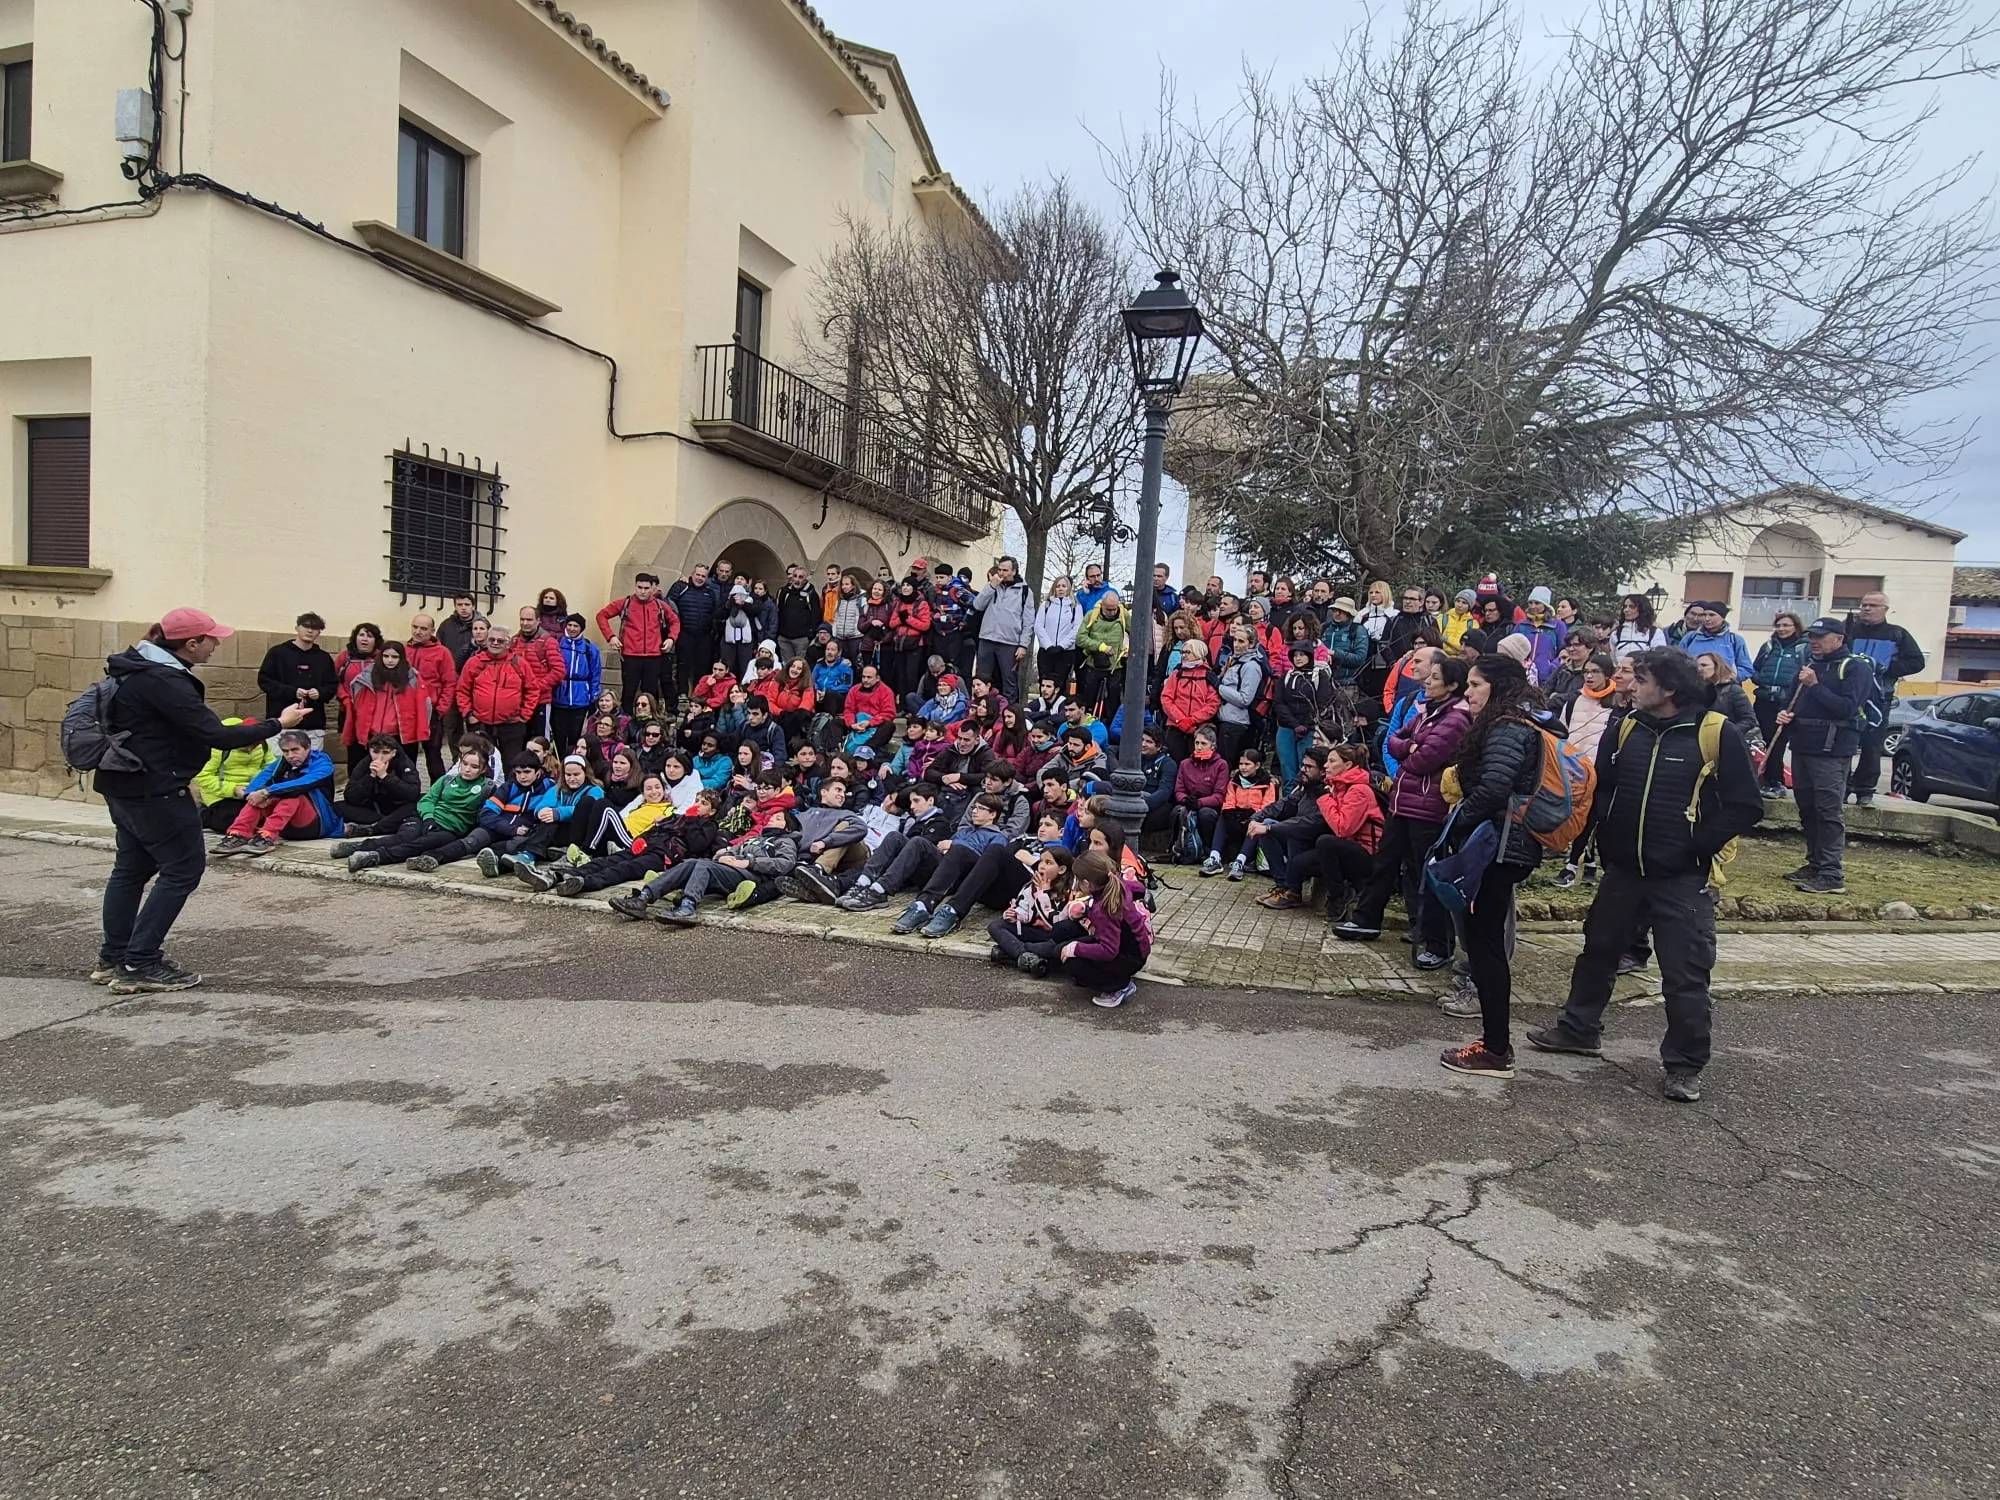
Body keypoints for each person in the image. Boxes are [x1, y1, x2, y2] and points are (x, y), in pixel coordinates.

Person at [1527, 647, 1764, 1103]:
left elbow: (1746, 806)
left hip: (1683, 877)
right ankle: (1578, 1029)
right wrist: (1594, 842)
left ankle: (1684, 1065)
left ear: (1669, 688)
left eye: (1639, 679)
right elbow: (1604, 790)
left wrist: (1694, 847)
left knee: (1685, 973)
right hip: (1624, 870)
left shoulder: (1716, 734)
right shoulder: (1627, 727)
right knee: (1598, 950)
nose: (1629, 686)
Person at [91, 609, 310, 993]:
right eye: (211, 639)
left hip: (122, 783)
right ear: (190, 644)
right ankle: (139, 962)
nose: (217, 644)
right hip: (156, 789)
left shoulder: (132, 669)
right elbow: (217, 735)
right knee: (183, 869)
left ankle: (114, 958)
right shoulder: (165, 681)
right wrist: (280, 723)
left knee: (130, 868)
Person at [1436, 653, 1547, 1081]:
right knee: (1484, 944)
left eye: (1476, 684)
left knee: (1486, 946)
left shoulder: (1508, 728)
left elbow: (1496, 787)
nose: (1468, 691)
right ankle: (1494, 1043)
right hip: (1501, 846)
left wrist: (1455, 826)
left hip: (1498, 849)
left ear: (1498, 687)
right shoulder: (1518, 722)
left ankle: (1496, 1049)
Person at [1335, 655, 1472, 957]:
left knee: (1423, 872)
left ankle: (1437, 941)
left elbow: (1424, 760)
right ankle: (1366, 919)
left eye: (1435, 677)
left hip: (1429, 807)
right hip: (1402, 802)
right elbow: (1394, 739)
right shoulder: (1425, 710)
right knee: (1384, 863)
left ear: (1452, 685)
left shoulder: (1457, 719)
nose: (1427, 681)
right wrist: (1409, 748)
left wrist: (1410, 750)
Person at [1779, 618, 1874, 894]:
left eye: (1821, 637)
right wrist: (1786, 714)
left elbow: (1846, 707)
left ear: (1839, 639)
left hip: (1832, 750)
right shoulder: (1810, 667)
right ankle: (1815, 863)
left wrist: (1815, 686)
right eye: (1812, 637)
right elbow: (1794, 702)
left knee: (1828, 811)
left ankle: (1832, 873)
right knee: (1807, 809)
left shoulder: (1855, 667)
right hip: (1803, 746)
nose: (1814, 642)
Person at [334, 737, 493, 873]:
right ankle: (358, 847)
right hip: (426, 818)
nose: (467, 769)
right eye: (464, 764)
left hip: (450, 829)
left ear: (483, 769)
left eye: (474, 767)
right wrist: (429, 818)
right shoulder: (447, 780)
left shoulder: (488, 787)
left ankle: (376, 857)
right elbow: (427, 800)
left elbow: (485, 815)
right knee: (404, 836)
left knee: (418, 844)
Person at [1842, 591, 1926, 804]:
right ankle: (1841, 786)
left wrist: (1887, 668)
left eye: (1872, 605)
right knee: (1843, 743)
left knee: (1871, 745)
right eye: (1864, 604)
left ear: (1885, 610)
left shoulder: (1897, 634)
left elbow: (1917, 662)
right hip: (1849, 696)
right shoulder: (1848, 630)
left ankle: (1865, 789)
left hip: (1880, 697)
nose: (1867, 609)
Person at [210, 730, 344, 856]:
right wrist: (250, 794)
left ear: (308, 748)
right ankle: (237, 835)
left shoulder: (323, 763)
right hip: (286, 828)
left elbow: (303, 783)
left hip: (316, 824)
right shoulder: (282, 762)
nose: (290, 756)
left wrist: (268, 792)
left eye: (295, 750)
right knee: (258, 799)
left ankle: (266, 837)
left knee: (292, 795)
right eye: (286, 752)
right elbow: (263, 777)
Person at [1052, 851, 1154, 1009]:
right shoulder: (1117, 884)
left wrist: (1076, 949)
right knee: (1062, 949)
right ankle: (1104, 978)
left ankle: (1118, 986)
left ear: (1086, 884)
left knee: (1072, 961)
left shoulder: (1103, 909)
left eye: (1077, 881)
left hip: (1128, 956)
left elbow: (1109, 950)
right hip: (1135, 948)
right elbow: (1139, 888)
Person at [1309, 743, 1385, 922]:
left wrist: (1324, 798)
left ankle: (1338, 897)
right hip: (1352, 846)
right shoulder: (1338, 785)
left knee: (1326, 842)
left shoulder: (1359, 790)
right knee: (1300, 863)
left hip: (1369, 853)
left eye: (1331, 761)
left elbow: (1343, 828)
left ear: (1348, 765)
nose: (1326, 766)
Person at [597, 573, 681, 716]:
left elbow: (675, 621)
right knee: (629, 691)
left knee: (651, 692)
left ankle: (650, 720)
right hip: (630, 655)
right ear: (635, 586)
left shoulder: (660, 605)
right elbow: (601, 615)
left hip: (654, 656)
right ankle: (626, 720)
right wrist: (610, 637)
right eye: (639, 587)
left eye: (646, 588)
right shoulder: (625, 603)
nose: (642, 591)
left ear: (652, 588)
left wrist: (671, 638)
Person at [255, 612, 341, 751]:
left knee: (311, 766)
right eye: (306, 626)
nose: (310, 630)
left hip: (313, 725)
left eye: (315, 628)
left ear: (319, 632)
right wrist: (292, 692)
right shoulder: (277, 653)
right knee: (278, 765)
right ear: (297, 627)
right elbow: (264, 680)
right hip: (281, 723)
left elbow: (332, 685)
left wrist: (320, 693)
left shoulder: (324, 658)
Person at [456, 625, 540, 760]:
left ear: (508, 644)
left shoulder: (519, 664)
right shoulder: (474, 663)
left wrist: (524, 715)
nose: (495, 643)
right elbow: (462, 690)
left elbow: (532, 690)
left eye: (500, 641)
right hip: (481, 724)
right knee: (483, 763)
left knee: (511, 764)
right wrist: (469, 714)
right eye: (492, 640)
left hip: (512, 724)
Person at [346, 640, 432, 765]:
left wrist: (421, 733)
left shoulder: (412, 679)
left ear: (401, 658)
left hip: (401, 736)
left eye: (394, 657)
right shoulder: (366, 678)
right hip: (371, 735)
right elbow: (355, 706)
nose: (390, 660)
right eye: (386, 656)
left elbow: (424, 707)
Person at [1751, 612, 1810, 787]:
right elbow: (1755, 668)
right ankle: (1767, 779)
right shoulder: (1769, 647)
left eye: (1786, 625)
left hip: (1788, 702)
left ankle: (1776, 780)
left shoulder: (1802, 648)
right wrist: (1760, 679)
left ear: (1796, 627)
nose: (1782, 629)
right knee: (1767, 741)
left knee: (1779, 742)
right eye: (1779, 625)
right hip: (1764, 699)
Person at [1272, 641, 1338, 789]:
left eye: (1302, 655)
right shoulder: (1286, 677)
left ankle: (1304, 803)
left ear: (1309, 656)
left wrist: (1308, 724)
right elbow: (1279, 703)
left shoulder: (1319, 676)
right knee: (1287, 770)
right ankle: (1288, 804)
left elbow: (1323, 703)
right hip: (1287, 727)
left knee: (1307, 770)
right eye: (1295, 655)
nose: (1298, 658)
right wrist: (1295, 725)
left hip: (1310, 729)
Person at [192, 721, 275, 834]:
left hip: (252, 791)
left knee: (264, 812)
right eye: (247, 745)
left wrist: (260, 787)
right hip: (221, 794)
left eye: (255, 745)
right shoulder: (218, 747)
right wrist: (233, 789)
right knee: (230, 821)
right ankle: (204, 815)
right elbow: (203, 776)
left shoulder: (264, 745)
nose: (250, 749)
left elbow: (271, 769)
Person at [973, 556, 1036, 701]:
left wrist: (1023, 645)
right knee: (982, 679)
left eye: (1005, 570)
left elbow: (1028, 621)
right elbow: (977, 605)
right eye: (1000, 569)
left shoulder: (1025, 591)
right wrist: (990, 587)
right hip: (987, 639)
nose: (1001, 573)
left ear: (1014, 571)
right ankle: (981, 709)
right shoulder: (992, 586)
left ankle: (1009, 714)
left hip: (1009, 642)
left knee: (1009, 680)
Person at [333, 734, 422, 835]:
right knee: (337, 807)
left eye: (385, 753)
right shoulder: (364, 764)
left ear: (393, 753)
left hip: (398, 808)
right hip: (374, 811)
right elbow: (351, 796)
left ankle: (376, 828)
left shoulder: (404, 763)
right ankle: (387, 824)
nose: (380, 757)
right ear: (370, 751)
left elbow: (412, 793)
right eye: (375, 752)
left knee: (419, 803)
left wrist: (385, 777)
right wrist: (371, 777)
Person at [405, 613, 458, 782]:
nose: (418, 632)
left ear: (432, 631)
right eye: (415, 627)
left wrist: (441, 709)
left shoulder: (442, 653)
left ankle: (438, 792)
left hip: (432, 711)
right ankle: (408, 792)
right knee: (407, 755)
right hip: (407, 712)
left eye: (423, 628)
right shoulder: (403, 650)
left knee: (433, 754)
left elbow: (449, 683)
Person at [666, 565, 721, 705]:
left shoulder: (710, 592)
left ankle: (698, 693)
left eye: (703, 576)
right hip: (685, 633)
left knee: (702, 666)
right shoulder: (680, 587)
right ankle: (682, 693)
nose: (700, 578)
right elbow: (668, 605)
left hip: (704, 634)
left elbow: (715, 611)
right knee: (683, 664)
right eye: (698, 574)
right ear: (692, 574)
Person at [549, 614, 603, 753]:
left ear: (581, 628)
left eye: (576, 626)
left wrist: (593, 695)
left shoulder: (590, 648)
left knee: (576, 734)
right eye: (570, 625)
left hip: (581, 698)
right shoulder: (557, 645)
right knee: (558, 735)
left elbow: (595, 673)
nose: (572, 629)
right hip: (559, 696)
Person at [1214, 624, 1267, 763]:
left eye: (1241, 641)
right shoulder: (1235, 660)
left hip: (1236, 723)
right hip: (1225, 719)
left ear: (1251, 643)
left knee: (1228, 764)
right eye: (1235, 640)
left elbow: (1245, 699)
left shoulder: (1251, 666)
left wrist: (1219, 687)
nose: (1236, 644)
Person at [1075, 592, 1129, 722]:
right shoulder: (1091, 615)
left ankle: (1111, 728)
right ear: (1102, 606)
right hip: (1093, 663)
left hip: (1115, 666)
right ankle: (1088, 725)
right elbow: (1080, 638)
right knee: (1089, 699)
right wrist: (1100, 647)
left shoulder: (1123, 615)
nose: (1111, 612)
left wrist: (1128, 649)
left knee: (1113, 702)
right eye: (1108, 609)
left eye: (1114, 609)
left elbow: (1136, 633)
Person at [1694, 653, 1761, 748]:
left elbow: (1749, 720)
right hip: (1701, 742)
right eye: (1697, 665)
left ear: (1717, 667)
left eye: (1704, 665)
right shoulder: (1696, 690)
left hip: (1727, 743)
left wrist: (1728, 733)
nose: (1699, 669)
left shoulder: (1733, 690)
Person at [1034, 575, 1083, 695]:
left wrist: (1062, 645)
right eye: (1058, 586)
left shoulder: (1075, 607)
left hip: (1065, 652)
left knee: (1061, 684)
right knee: (1045, 682)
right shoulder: (1046, 605)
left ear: (1068, 588)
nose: (1061, 589)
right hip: (1046, 651)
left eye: (1064, 586)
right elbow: (1039, 626)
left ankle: (1058, 710)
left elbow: (1076, 629)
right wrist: (1048, 645)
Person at [1679, 602, 1754, 679]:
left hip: (1723, 688)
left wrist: (1728, 677)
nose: (1707, 619)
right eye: (1704, 615)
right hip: (1694, 686)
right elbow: (1678, 662)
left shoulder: (1734, 640)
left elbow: (1747, 669)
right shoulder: (1691, 638)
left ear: (1722, 617)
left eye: (1712, 615)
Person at [775, 563, 821, 665]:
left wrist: (810, 635)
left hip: (801, 638)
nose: (797, 580)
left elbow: (815, 616)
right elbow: (780, 611)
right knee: (787, 666)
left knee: (800, 666)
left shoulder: (812, 594)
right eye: (795, 576)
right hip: (784, 637)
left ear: (806, 579)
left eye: (800, 577)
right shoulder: (784, 592)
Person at [1610, 593, 1670, 658]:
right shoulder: (1616, 634)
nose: (1626, 610)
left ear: (1641, 609)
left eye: (1631, 607)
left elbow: (1659, 658)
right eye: (1625, 606)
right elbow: (1613, 659)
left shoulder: (1654, 633)